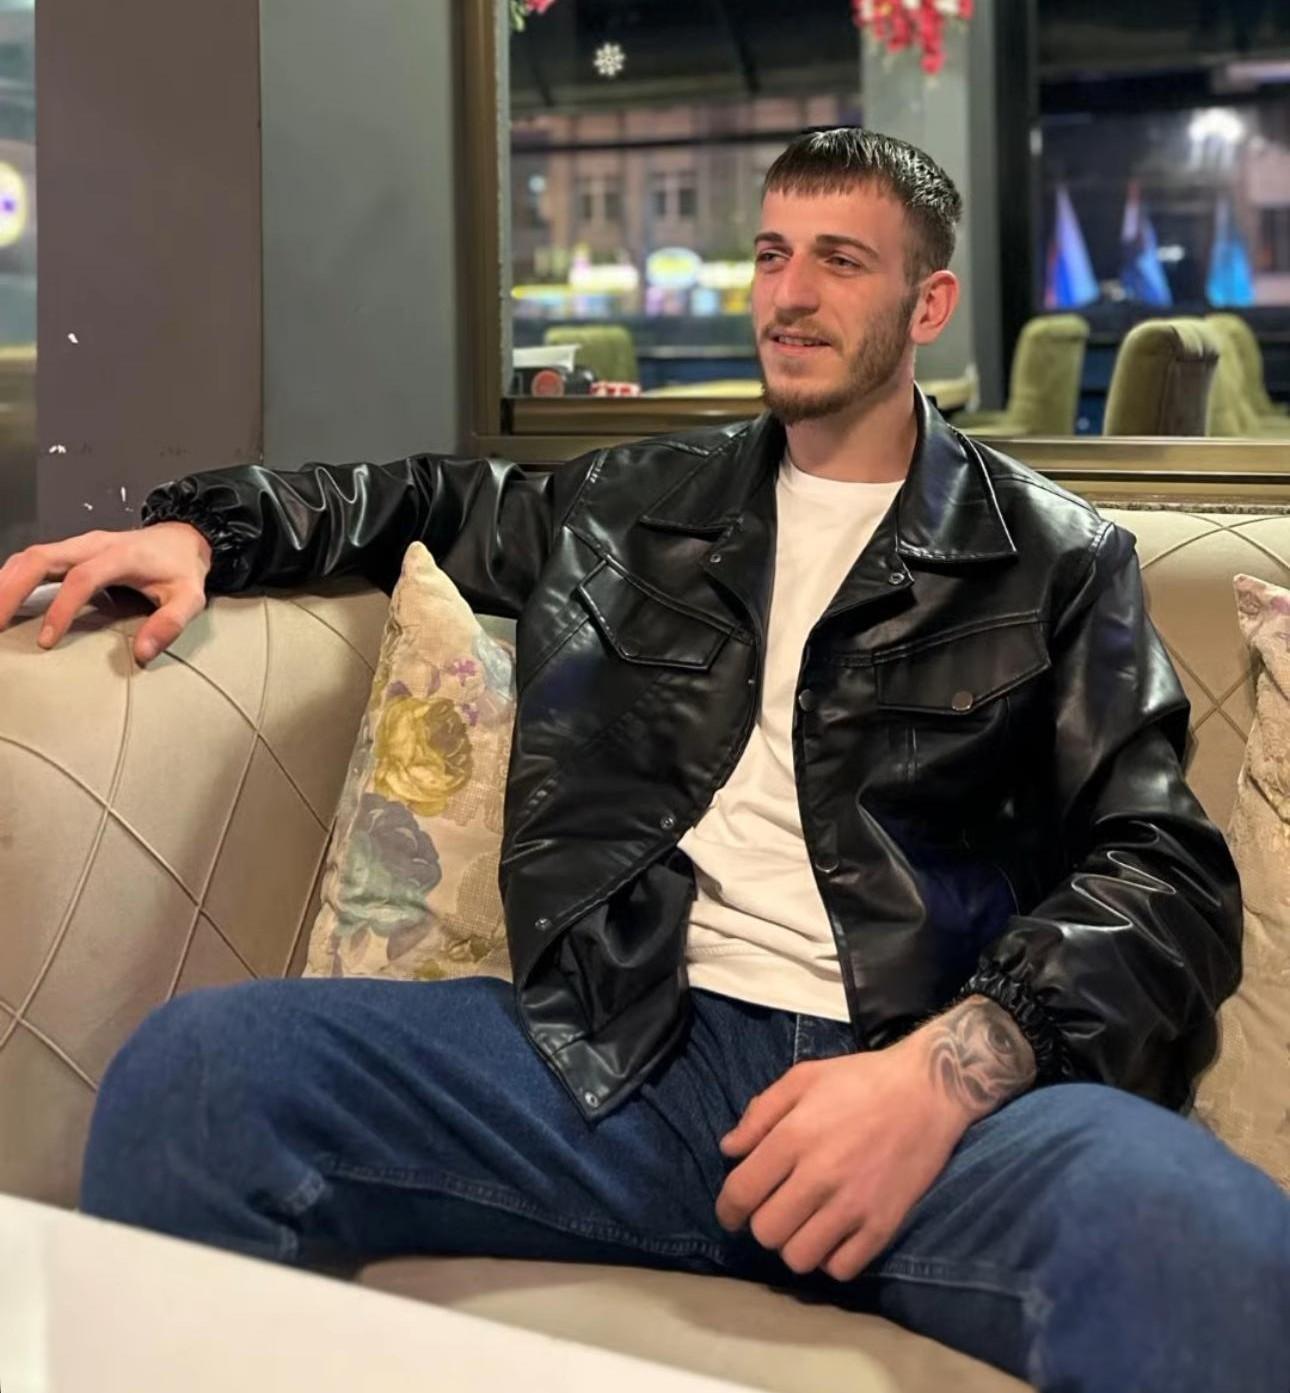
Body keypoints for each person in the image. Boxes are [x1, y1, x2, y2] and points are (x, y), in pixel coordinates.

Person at [2, 128, 1286, 1392]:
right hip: (627, 1057)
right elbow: (417, 502)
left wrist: (946, 1073)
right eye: (773, 255)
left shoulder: (1058, 558)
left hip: (923, 1090)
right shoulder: (635, 505)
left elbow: (1162, 873)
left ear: (930, 303)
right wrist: (206, 532)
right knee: (199, 1076)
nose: (789, 294)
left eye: (840, 261)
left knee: (1210, 1245)